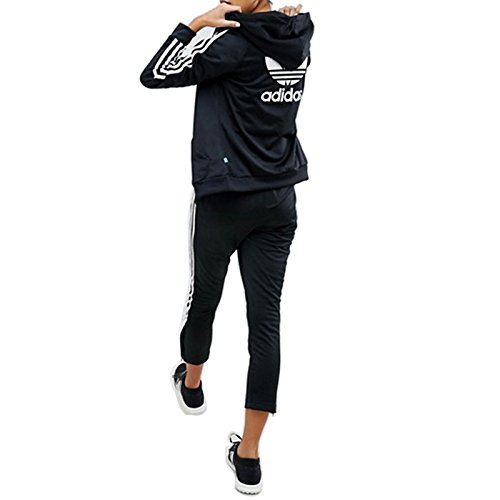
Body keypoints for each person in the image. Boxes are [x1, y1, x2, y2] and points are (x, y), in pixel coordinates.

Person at [139, 0, 314, 494]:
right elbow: (275, 37)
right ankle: (250, 457)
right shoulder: (298, 37)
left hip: (224, 200)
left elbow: (154, 74)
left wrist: (195, 23)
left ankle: (192, 385)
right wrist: (270, 16)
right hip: (278, 199)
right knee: (266, 322)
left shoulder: (230, 44)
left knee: (205, 297)